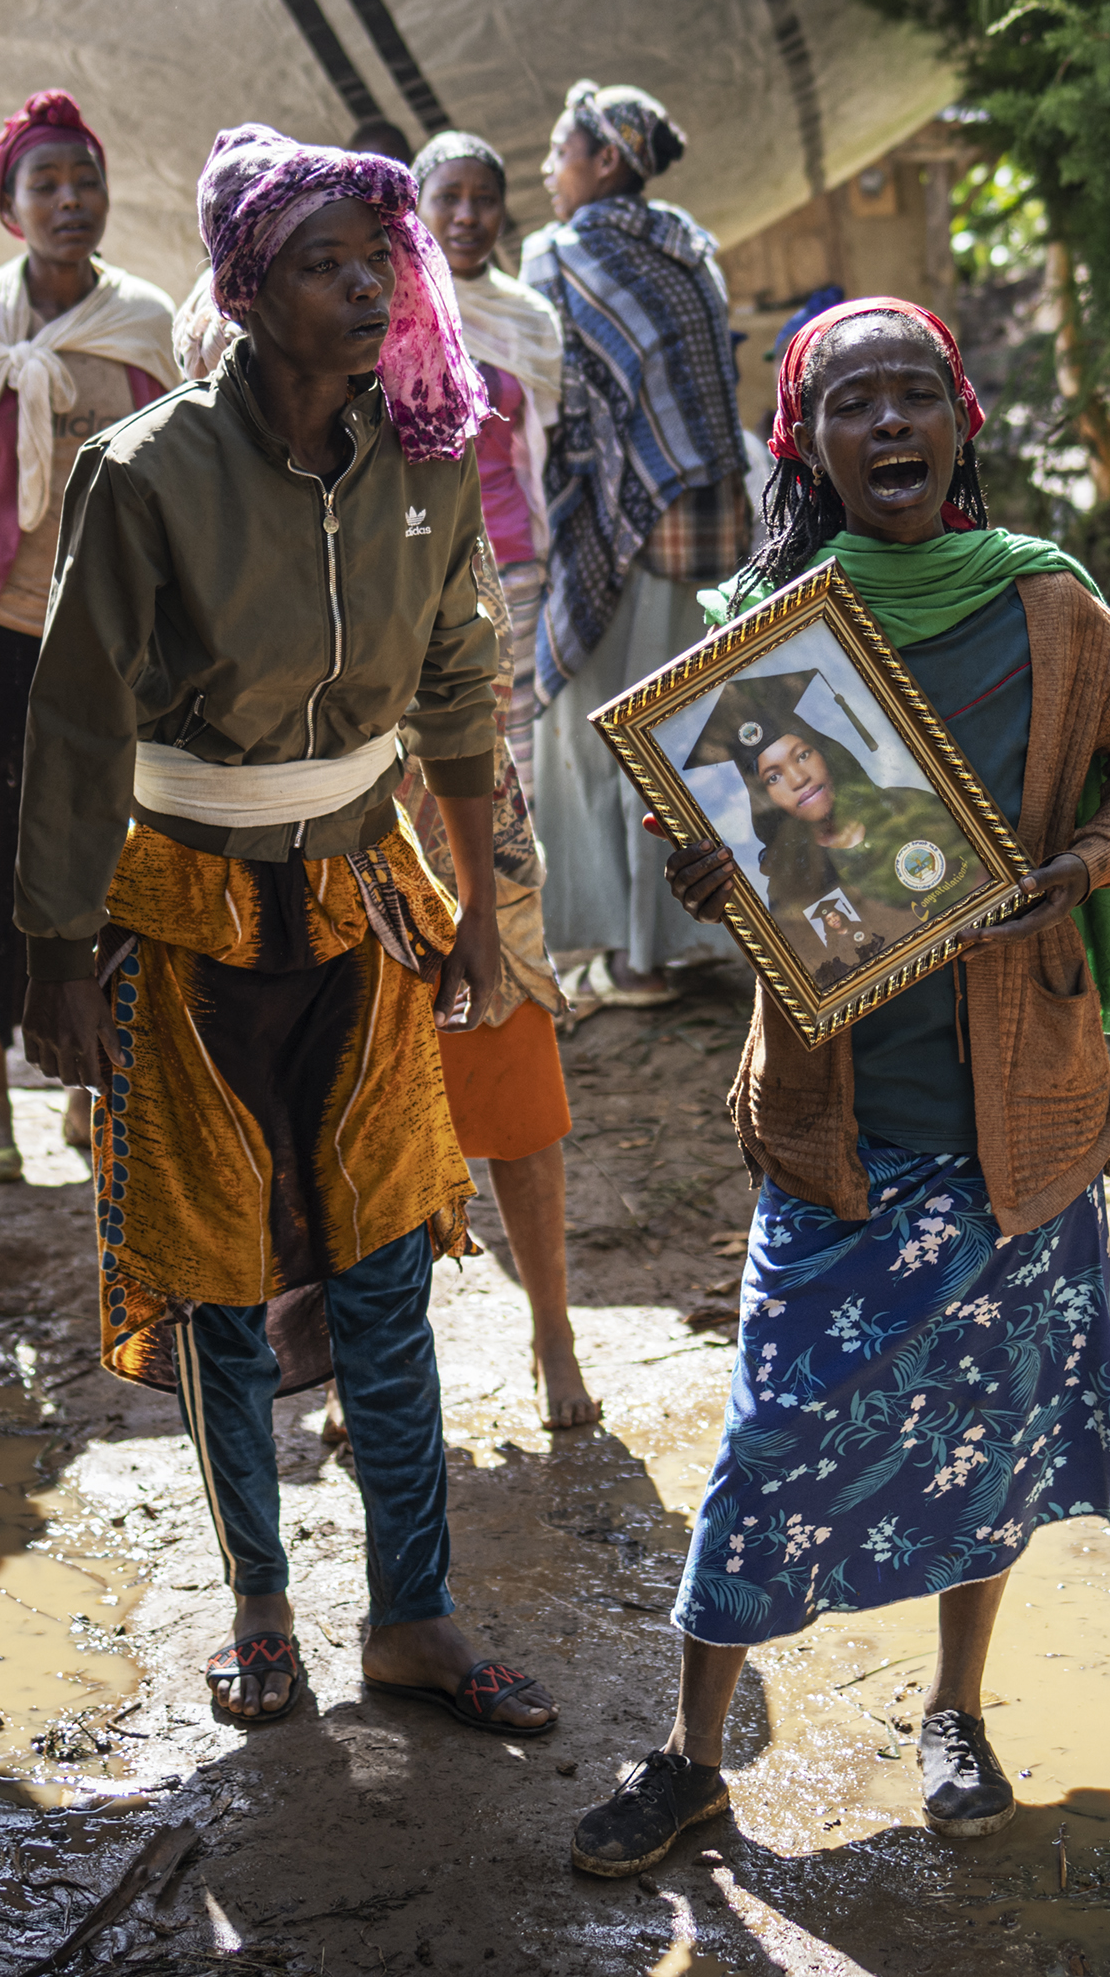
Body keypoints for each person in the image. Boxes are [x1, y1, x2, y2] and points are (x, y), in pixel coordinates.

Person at [568, 297, 1110, 1877]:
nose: (892, 425)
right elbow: (736, 852)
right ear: (807, 445)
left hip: (1016, 1115)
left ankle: (958, 1714)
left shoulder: (1050, 607)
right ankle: (690, 1756)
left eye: (918, 396)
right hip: (842, 1122)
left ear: (962, 424)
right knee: (769, 1437)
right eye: (855, 405)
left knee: (988, 1431)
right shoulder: (764, 632)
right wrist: (719, 877)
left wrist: (1086, 865)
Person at [15, 124, 557, 1740]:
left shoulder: (431, 464)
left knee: (390, 1260)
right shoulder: (147, 474)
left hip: (363, 911)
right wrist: (54, 955)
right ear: (248, 290)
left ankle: (415, 1613)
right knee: (217, 1276)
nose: (370, 282)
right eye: (328, 261)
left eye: (378, 259)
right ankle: (258, 1602)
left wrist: (472, 911)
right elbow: (72, 724)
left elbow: (460, 692)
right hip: (181, 924)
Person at [0, 92, 177, 1181]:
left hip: (112, 637)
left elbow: (178, 484)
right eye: (46, 184)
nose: (71, 200)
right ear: (9, 208)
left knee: (106, 856)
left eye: (86, 181)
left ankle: (86, 1080)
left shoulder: (146, 323)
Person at [392, 130, 591, 1428]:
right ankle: (387, 1365)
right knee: (371, 1063)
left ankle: (554, 1332)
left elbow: (483, 536)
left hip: (463, 742)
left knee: (509, 1041)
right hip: (344, 777)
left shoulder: (491, 345)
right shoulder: (322, 375)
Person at [525, 80, 748, 1016]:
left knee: (590, 732)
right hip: (710, 520)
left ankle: (632, 961)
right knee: (681, 727)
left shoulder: (563, 255)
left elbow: (557, 403)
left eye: (558, 151)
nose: (545, 169)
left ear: (604, 160)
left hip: (610, 522)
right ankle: (685, 940)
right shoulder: (689, 249)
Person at [683, 679, 944, 985]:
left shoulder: (908, 805)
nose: (797, 778)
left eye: (803, 755)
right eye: (773, 777)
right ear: (765, 799)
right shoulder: (788, 879)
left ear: (825, 752)